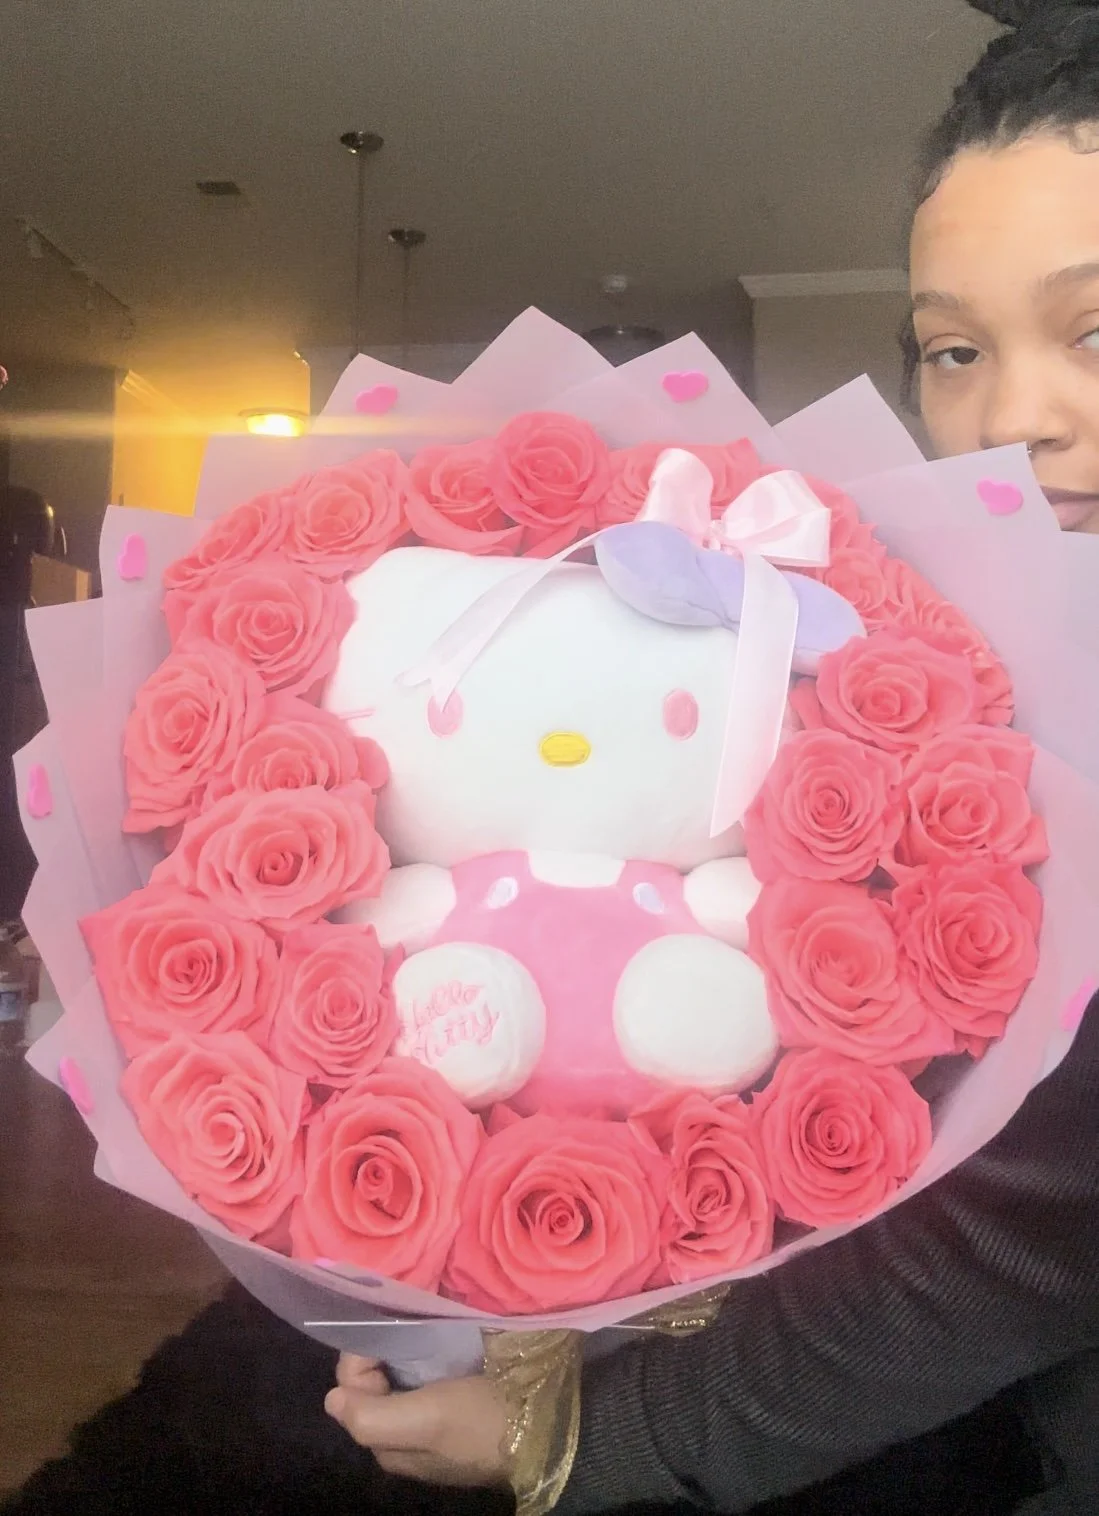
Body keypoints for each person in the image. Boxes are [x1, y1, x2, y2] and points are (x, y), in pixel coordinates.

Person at [323, 3, 1099, 1511]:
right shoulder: (987, 671)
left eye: (1094, 328)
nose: (1011, 418)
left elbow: (1031, 1234)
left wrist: (579, 1438)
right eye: (953, 349)